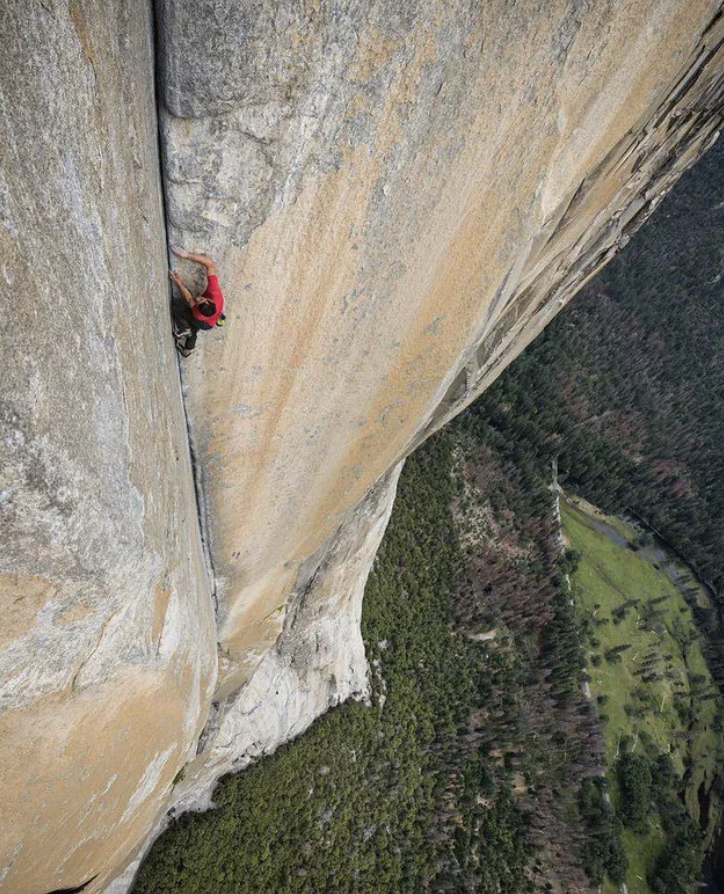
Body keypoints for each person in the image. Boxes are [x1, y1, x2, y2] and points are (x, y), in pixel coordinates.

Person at [169, 246, 226, 356]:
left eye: (198, 301)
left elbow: (189, 298)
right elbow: (209, 264)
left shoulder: (198, 314)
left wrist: (178, 282)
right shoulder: (215, 293)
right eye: (202, 299)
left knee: (177, 306)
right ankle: (187, 350)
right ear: (210, 301)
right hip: (210, 323)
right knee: (194, 328)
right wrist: (186, 255)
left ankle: (185, 328)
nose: (198, 298)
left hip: (205, 323)